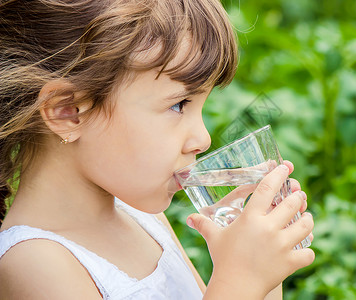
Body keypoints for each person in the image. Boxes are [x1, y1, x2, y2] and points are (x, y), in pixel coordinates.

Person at [0, 0, 315, 299]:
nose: (203, 139)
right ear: (68, 111)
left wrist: (261, 269)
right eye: (179, 104)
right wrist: (241, 280)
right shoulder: (34, 262)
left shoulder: (143, 219)